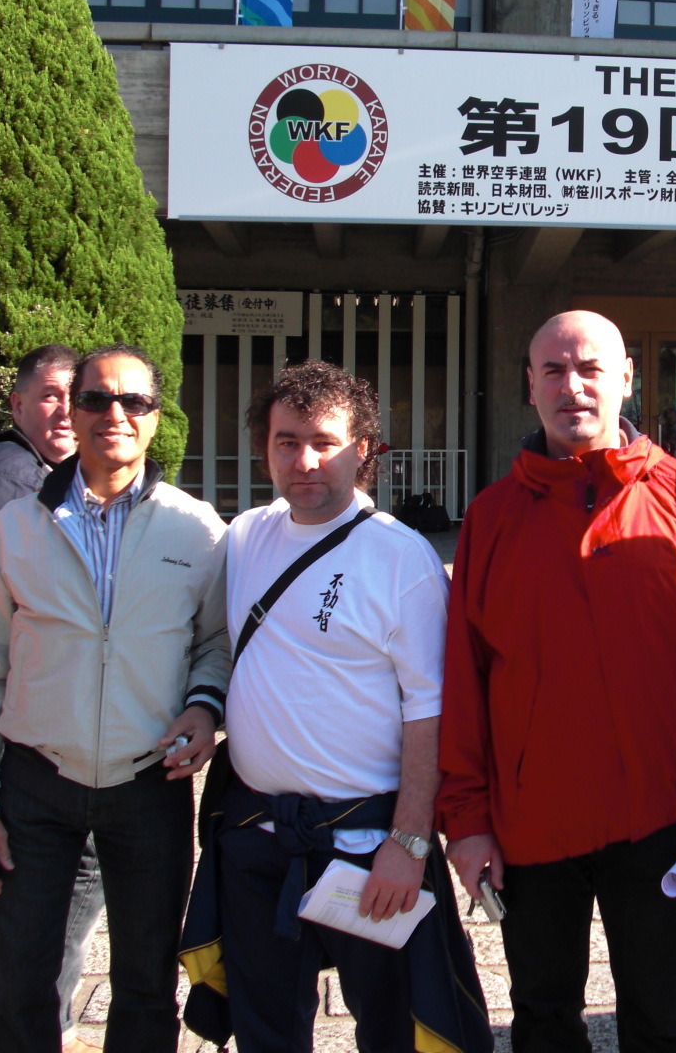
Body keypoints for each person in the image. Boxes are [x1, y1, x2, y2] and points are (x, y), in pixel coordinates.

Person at [438, 310, 676, 1053]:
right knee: (542, 1021)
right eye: (553, 370)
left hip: (661, 817)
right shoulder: (491, 518)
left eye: (590, 369)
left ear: (627, 379)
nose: (571, 386)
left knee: (663, 1020)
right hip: (531, 823)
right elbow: (465, 679)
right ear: (529, 385)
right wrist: (467, 819)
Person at [0, 344, 231, 1053]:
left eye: (133, 401)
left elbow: (216, 642)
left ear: (156, 417)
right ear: (72, 413)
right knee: (21, 980)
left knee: (146, 982)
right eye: (97, 399)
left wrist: (204, 706)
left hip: (148, 782)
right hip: (36, 781)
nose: (115, 414)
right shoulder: (15, 529)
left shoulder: (198, 530)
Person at [207, 361, 488, 1053]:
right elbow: (214, 649)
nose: (305, 461)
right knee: (265, 1028)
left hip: (367, 845)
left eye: (324, 442)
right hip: (258, 835)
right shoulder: (245, 537)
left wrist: (409, 843)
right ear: (264, 449)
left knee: (392, 1029)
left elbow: (431, 709)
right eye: (287, 442)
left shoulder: (400, 557)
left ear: (362, 450)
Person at [0, 344, 104, 1053]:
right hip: (21, 717)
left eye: (77, 396)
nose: (66, 411)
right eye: (50, 396)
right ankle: (25, 1023)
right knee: (37, 875)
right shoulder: (9, 473)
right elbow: (2, 601)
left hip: (23, 711)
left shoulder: (42, 473)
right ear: (18, 405)